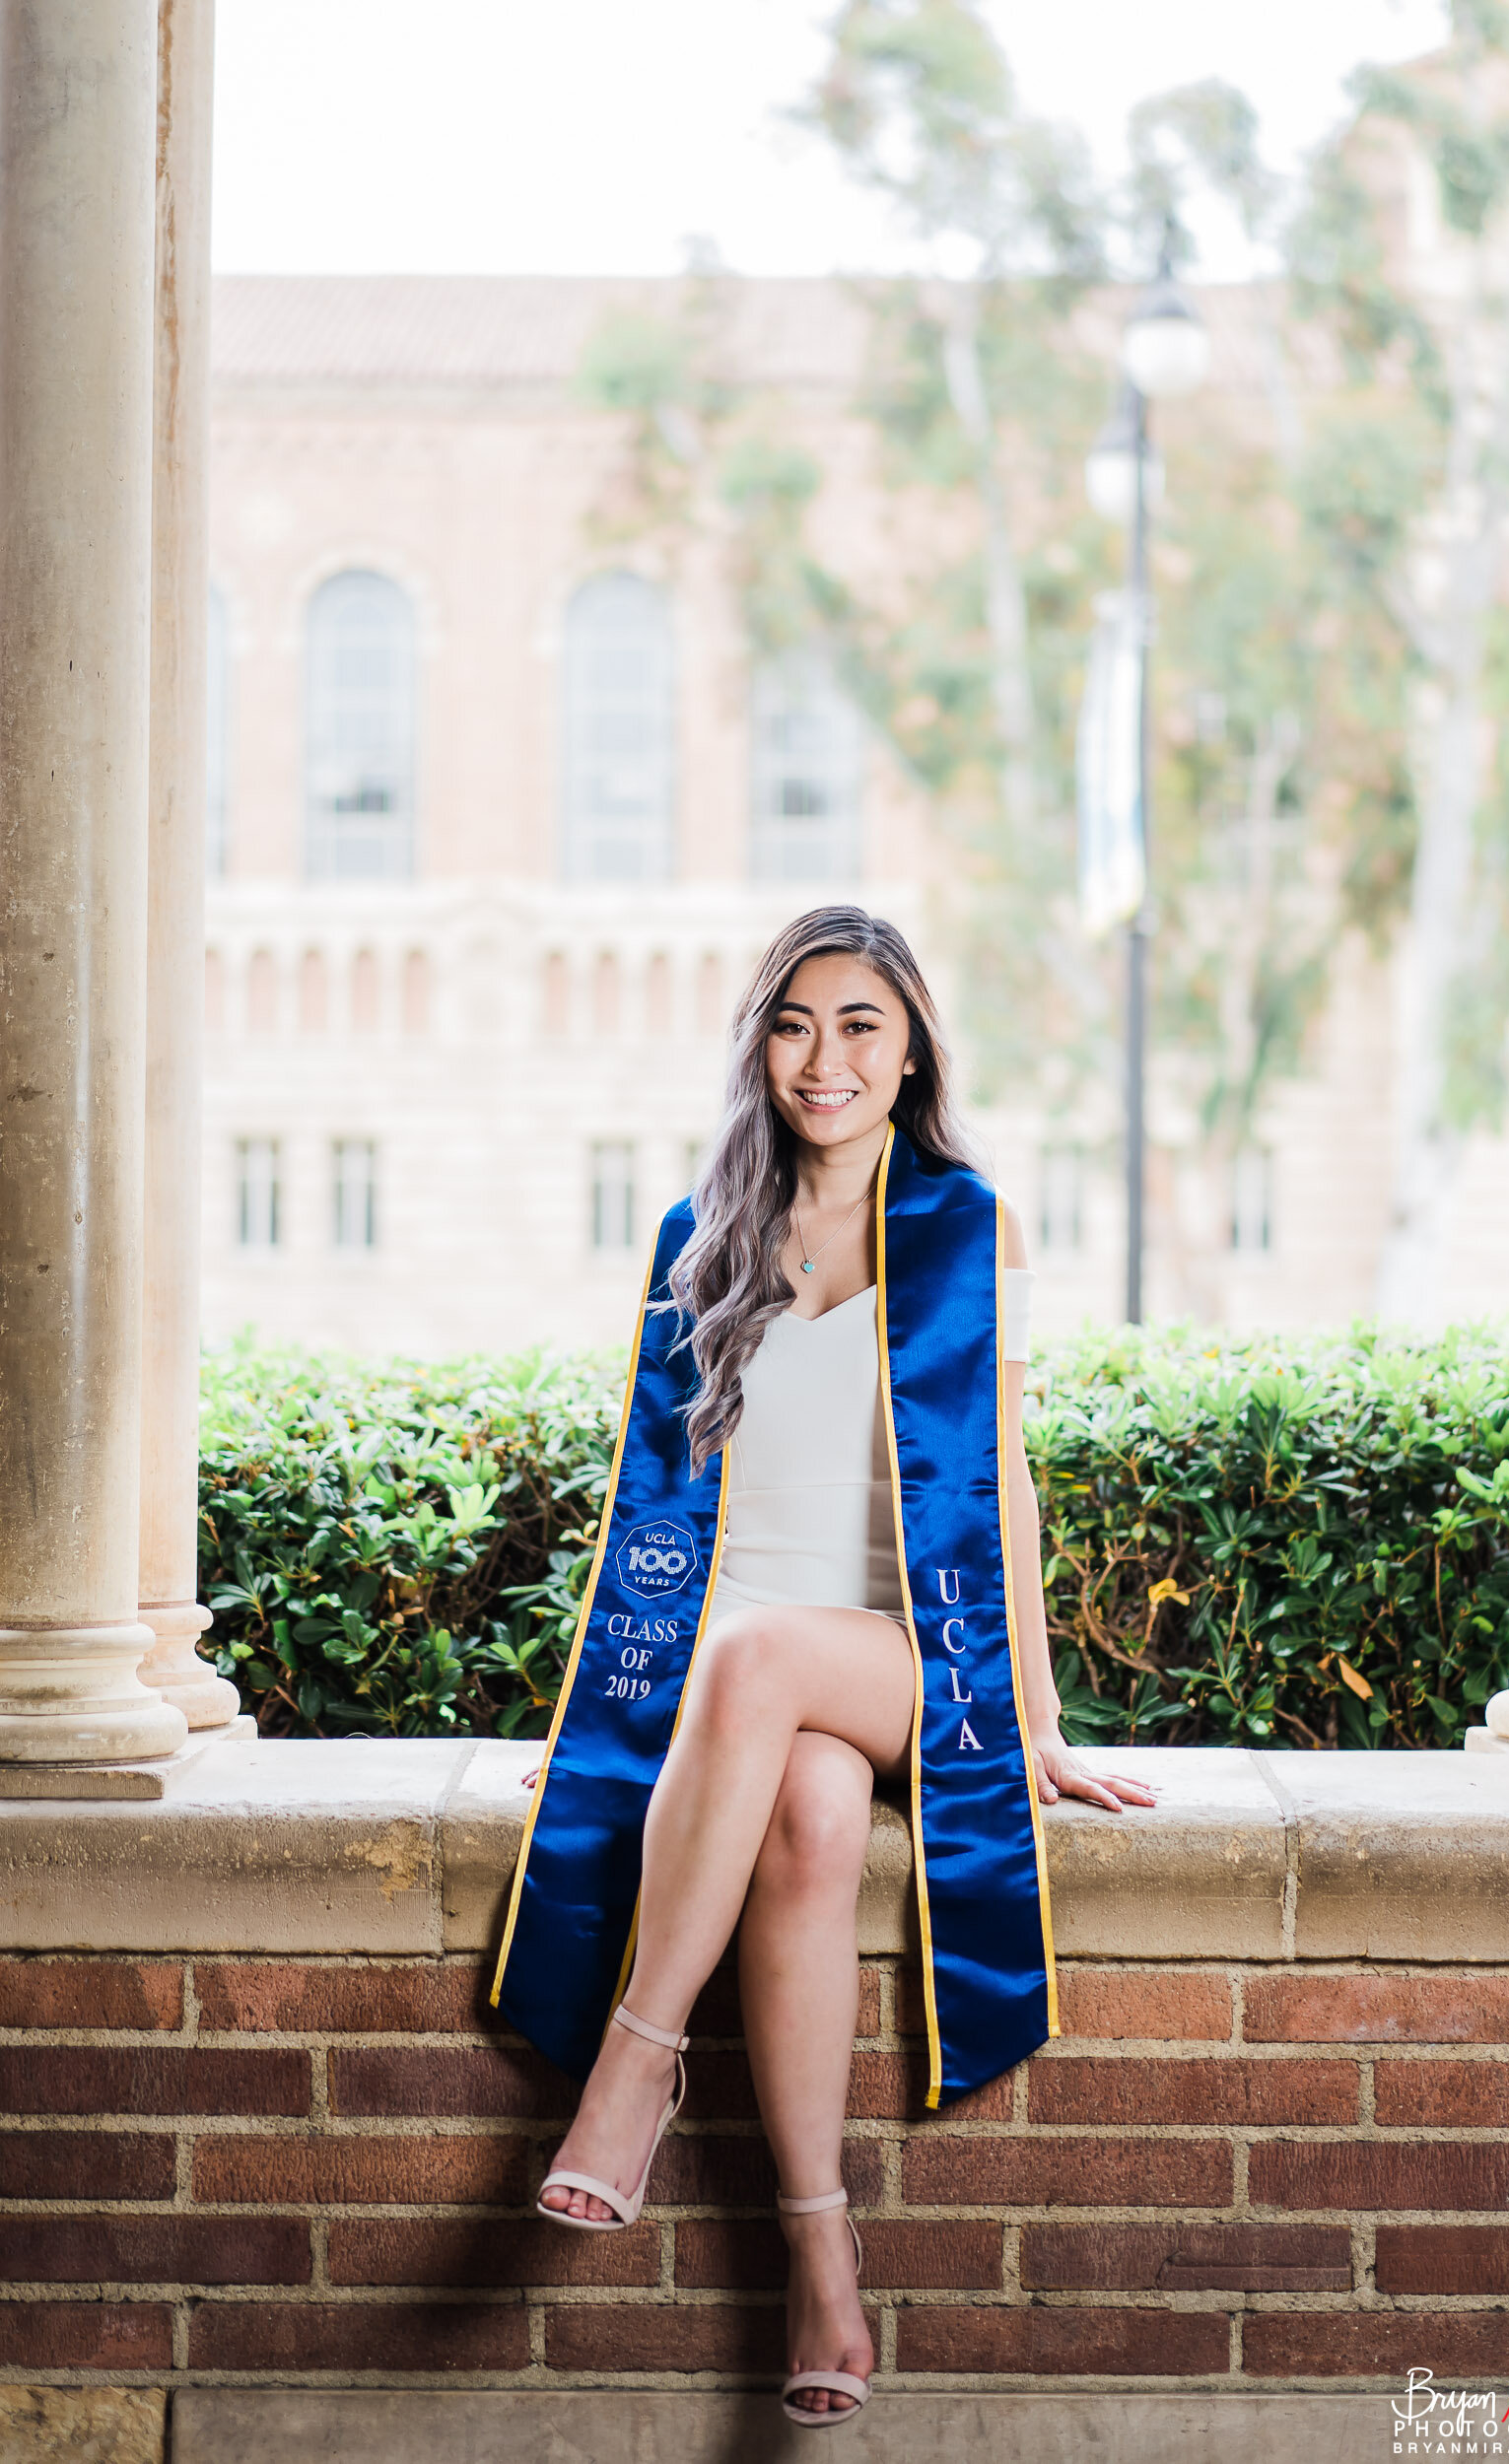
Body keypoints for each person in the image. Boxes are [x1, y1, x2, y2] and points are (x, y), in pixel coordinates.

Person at [492, 907, 1155, 2428]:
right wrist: (597, 1721)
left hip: (922, 1666)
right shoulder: (698, 1237)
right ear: (759, 1049)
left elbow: (1001, 1479)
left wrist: (1041, 1730)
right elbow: (653, 1519)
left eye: (860, 1023)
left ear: (911, 1045)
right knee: (805, 1814)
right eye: (794, 1024)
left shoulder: (964, 1225)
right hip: (761, 1688)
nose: (825, 1057)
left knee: (766, 1659)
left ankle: (633, 2066)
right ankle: (822, 2259)